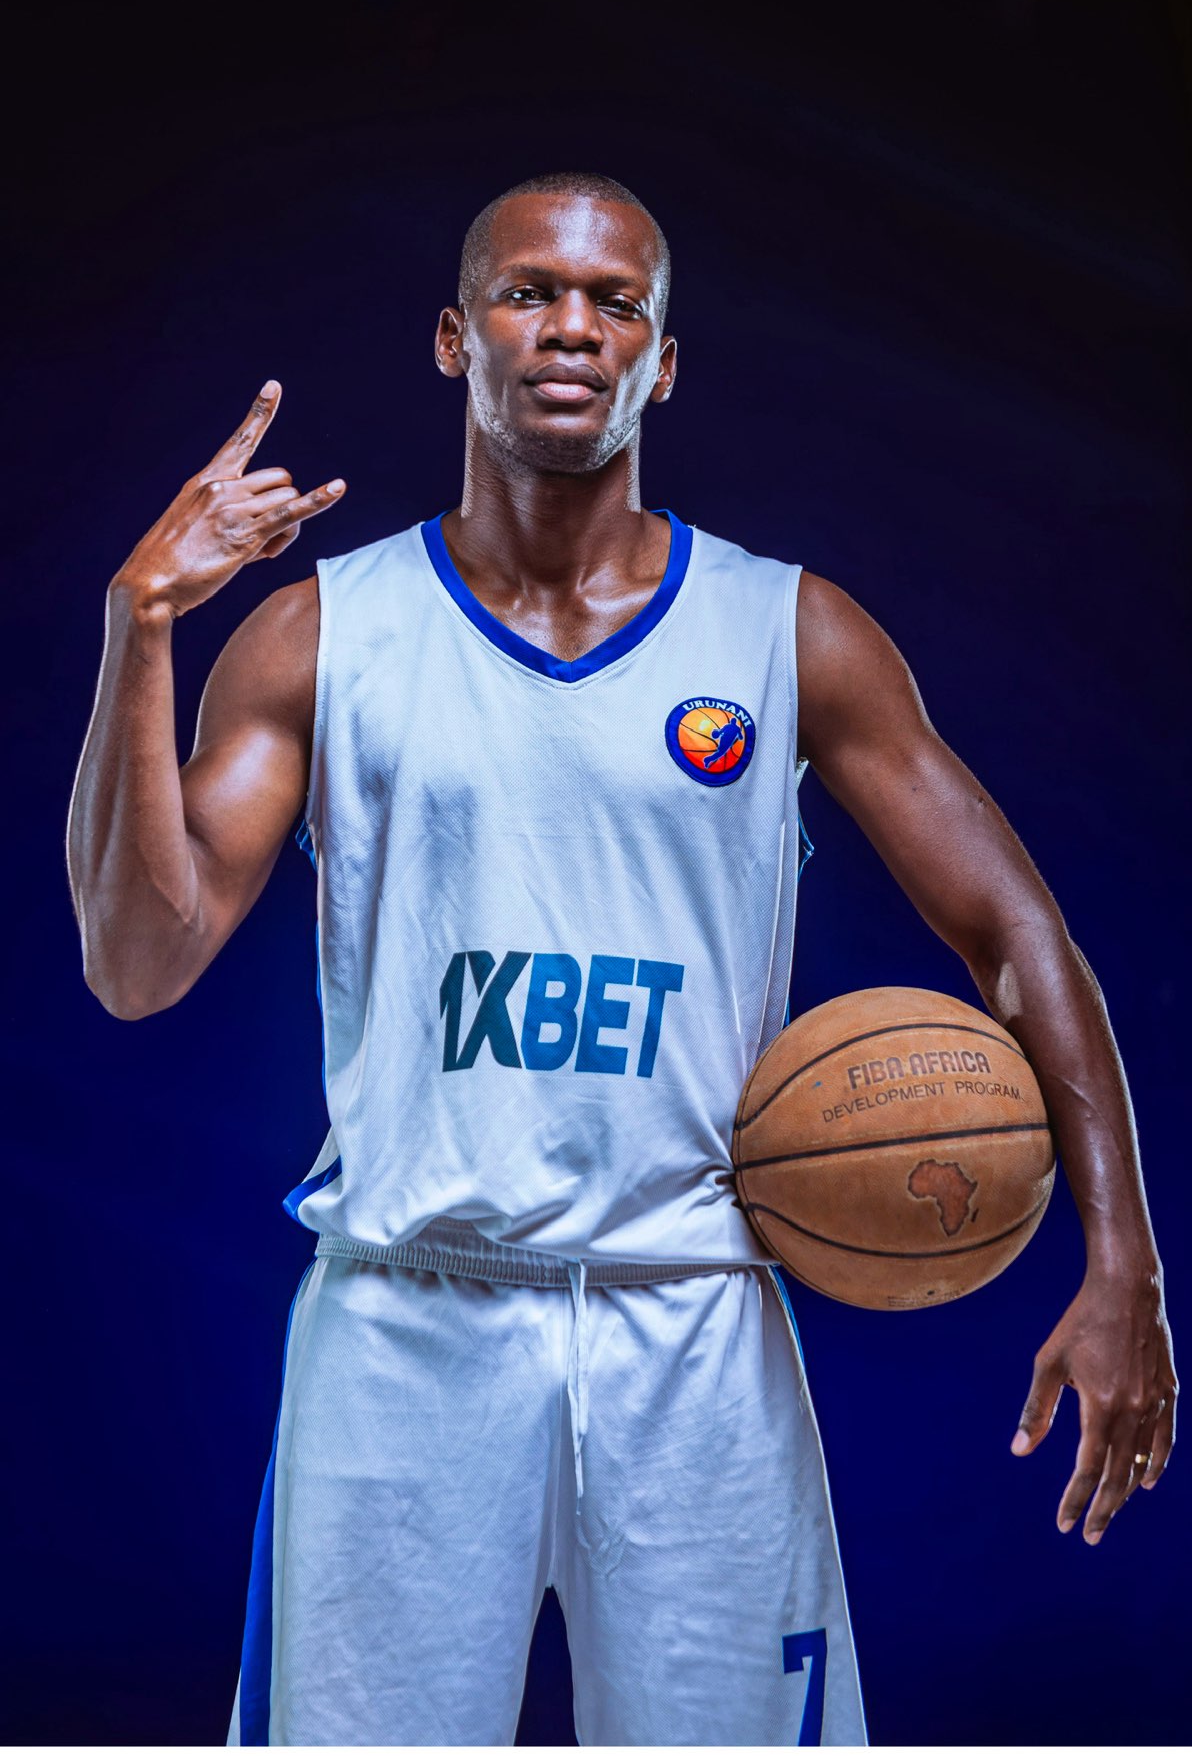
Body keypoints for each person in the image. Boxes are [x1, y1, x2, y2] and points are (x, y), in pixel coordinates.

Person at [67, 171, 1176, 1747]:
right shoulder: (325, 636)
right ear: (456, 338)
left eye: (616, 303)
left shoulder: (788, 632)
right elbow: (137, 961)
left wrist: (1126, 1261)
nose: (573, 327)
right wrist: (140, 628)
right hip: (408, 1318)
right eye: (529, 292)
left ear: (664, 362)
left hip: (693, 1320)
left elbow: (1018, 932)